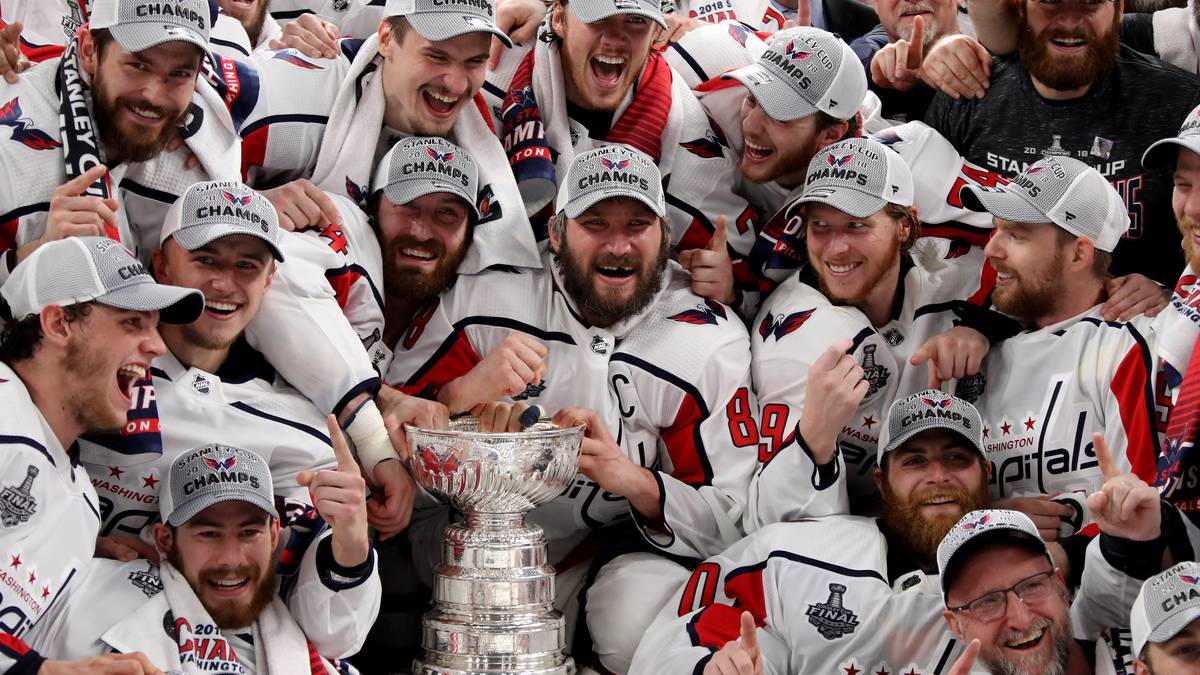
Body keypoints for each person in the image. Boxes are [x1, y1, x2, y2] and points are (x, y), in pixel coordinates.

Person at [390, 145, 758, 672]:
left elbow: (732, 524)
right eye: (595, 223)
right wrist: (459, 399)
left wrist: (634, 481)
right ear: (557, 233)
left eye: (637, 223)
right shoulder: (485, 297)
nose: (618, 244)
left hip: (609, 553)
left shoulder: (707, 338)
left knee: (632, 614)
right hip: (459, 543)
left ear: (667, 236)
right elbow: (382, 431)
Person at [629, 389, 992, 674]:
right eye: (914, 461)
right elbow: (693, 625)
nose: (938, 476)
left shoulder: (1034, 582)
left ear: (986, 473)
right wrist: (709, 665)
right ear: (882, 483)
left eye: (956, 458)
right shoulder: (797, 553)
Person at [747, 136, 999, 521]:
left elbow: (1049, 277)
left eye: (856, 226)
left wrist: (983, 326)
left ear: (905, 228)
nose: (835, 249)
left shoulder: (953, 276)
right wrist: (812, 438)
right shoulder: (794, 337)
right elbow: (769, 519)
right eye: (820, 226)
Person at [0, 235, 202, 672]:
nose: (158, 346)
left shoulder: (80, 498)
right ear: (58, 325)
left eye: (154, 325)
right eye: (132, 322)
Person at [485, 0, 761, 313]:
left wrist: (733, 290)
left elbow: (747, 274)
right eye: (598, 17)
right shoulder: (494, 64)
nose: (615, 39)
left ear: (657, 31)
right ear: (559, 19)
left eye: (635, 20)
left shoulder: (684, 129)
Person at [26, 434, 382, 673]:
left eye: (249, 532)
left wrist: (352, 544)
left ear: (274, 535)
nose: (231, 559)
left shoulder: (304, 650)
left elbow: (344, 629)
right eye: (209, 533)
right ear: (165, 540)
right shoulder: (87, 592)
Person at [924, 0, 1200, 286]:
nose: (1069, 22)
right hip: (985, 315)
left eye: (1090, 3)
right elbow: (924, 233)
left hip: (1133, 322)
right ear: (1020, 9)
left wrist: (1169, 292)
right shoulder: (965, 94)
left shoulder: (1178, 104)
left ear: (1118, 10)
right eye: (1050, 2)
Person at [957, 157, 1161, 522]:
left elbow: (1151, 503)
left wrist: (1069, 545)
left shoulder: (1129, 345)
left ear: (1079, 253)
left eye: (1017, 235)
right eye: (995, 230)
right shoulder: (977, 342)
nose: (991, 251)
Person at [0, 0, 249, 284]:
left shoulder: (212, 144)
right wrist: (33, 260)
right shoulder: (8, 144)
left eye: (179, 74)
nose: (154, 95)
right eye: (138, 65)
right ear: (89, 51)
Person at [937, 508, 1137, 674]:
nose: (1022, 620)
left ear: (1060, 587)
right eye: (987, 602)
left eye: (1031, 586)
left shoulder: (1152, 660)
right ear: (956, 626)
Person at [854, 0, 991, 123]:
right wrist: (876, 78)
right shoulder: (866, 49)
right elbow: (854, 60)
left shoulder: (992, 65)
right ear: (876, 4)